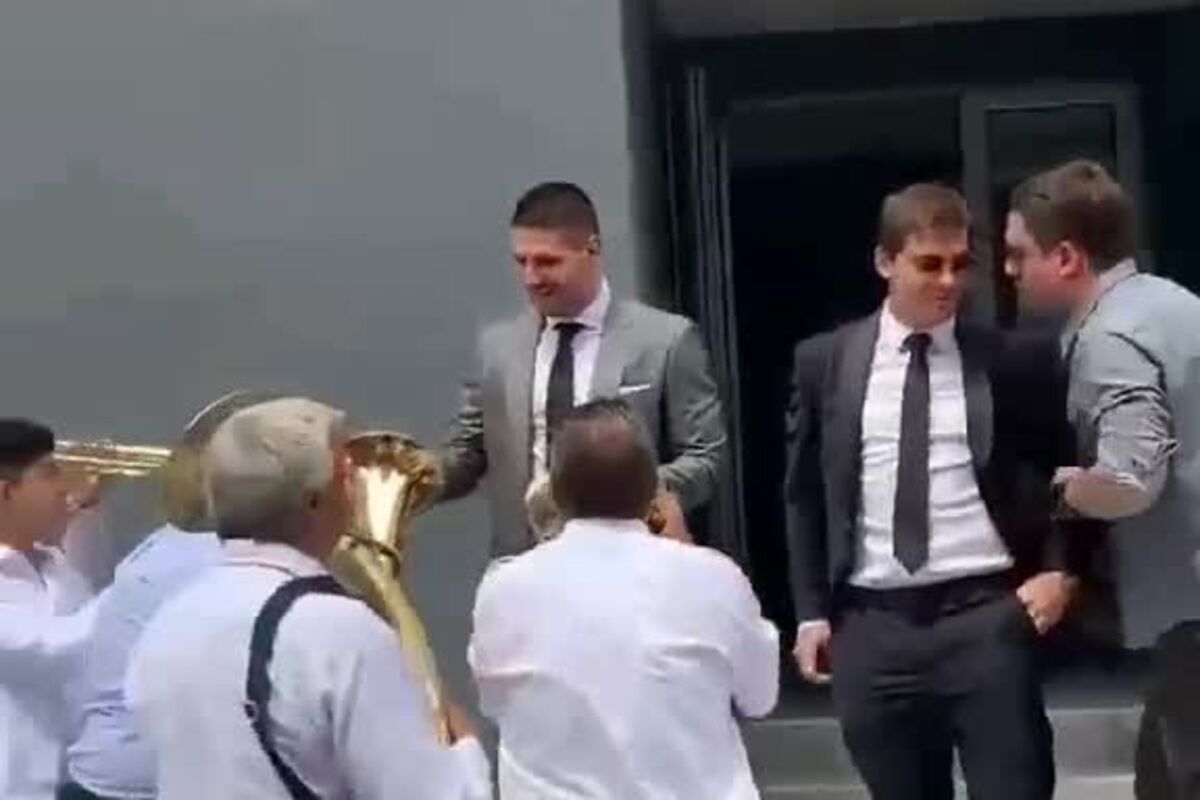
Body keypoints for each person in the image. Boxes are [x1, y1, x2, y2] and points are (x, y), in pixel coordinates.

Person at [784, 184, 1078, 800]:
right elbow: (804, 493)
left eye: (959, 264)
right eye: (929, 264)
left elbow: (1064, 469)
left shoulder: (1009, 360)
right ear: (885, 261)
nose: (948, 281)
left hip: (984, 614)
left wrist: (1061, 569)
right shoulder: (826, 362)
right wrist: (811, 611)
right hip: (873, 624)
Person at [126, 397, 490, 800]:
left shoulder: (168, 620)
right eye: (347, 475)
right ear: (314, 499)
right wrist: (464, 743)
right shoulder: (340, 631)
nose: (355, 488)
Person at [1004, 159, 1200, 800]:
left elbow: (1130, 479)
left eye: (1019, 254)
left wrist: (1061, 489)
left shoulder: (1107, 339)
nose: (1008, 270)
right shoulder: (1175, 304)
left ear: (1066, 258)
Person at [469, 398, 777, 799]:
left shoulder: (503, 589)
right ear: (654, 488)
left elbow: (493, 702)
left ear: (554, 492)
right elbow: (760, 696)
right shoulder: (714, 579)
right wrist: (686, 551)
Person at [439, 181, 725, 555]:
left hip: (631, 563)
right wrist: (409, 477)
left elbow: (706, 459)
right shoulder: (497, 347)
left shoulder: (666, 340)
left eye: (547, 262)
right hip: (522, 567)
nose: (531, 278)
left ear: (593, 248)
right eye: (522, 261)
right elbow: (469, 451)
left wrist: (622, 492)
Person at [0, 418, 102, 800]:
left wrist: (84, 513)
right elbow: (52, 648)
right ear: (6, 491)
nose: (64, 488)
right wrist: (141, 583)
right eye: (49, 474)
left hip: (75, 781)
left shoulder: (55, 566)